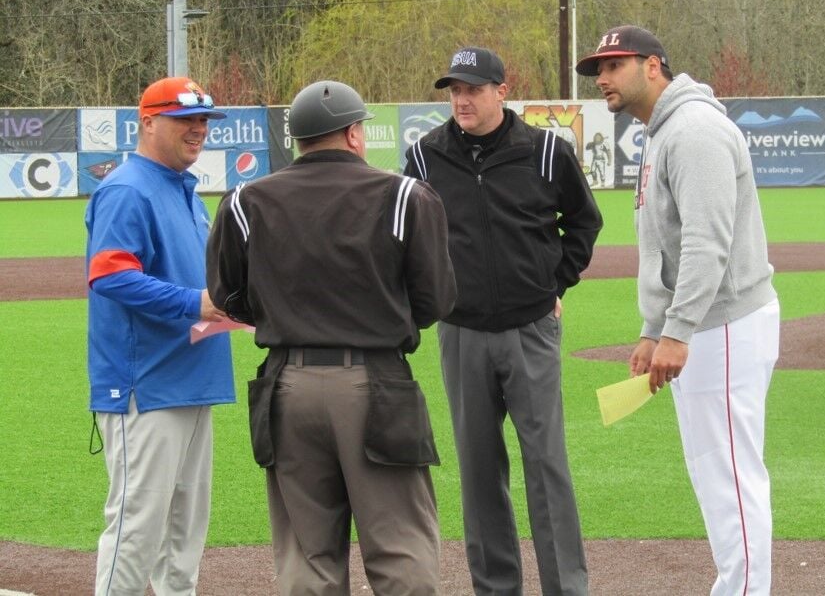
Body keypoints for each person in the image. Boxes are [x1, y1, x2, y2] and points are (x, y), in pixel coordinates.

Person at [207, 80, 456, 595]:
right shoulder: (404, 195)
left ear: (297, 139)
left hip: (287, 387)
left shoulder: (244, 201)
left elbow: (228, 296)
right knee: (400, 546)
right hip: (376, 383)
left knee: (306, 556)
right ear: (353, 134)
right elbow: (435, 300)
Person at [576, 25, 780, 596]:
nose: (603, 79)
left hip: (725, 325)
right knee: (717, 475)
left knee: (731, 478)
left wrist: (678, 330)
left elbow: (705, 243)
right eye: (598, 70)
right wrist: (653, 328)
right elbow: (666, 245)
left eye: (615, 65)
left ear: (654, 66)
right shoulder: (662, 132)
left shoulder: (692, 131)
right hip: (708, 326)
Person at [405, 47, 603, 596]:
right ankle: (495, 589)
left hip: (530, 330)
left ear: (501, 90)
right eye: (453, 90)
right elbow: (410, 238)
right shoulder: (425, 157)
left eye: (472, 89)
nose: (461, 100)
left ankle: (566, 587)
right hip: (461, 332)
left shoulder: (544, 152)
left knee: (547, 466)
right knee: (477, 467)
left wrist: (553, 283)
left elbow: (584, 222)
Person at [86, 76, 236, 595]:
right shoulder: (128, 188)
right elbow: (109, 275)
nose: (198, 129)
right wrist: (197, 302)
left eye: (203, 120)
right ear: (147, 122)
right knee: (136, 534)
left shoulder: (183, 190)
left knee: (183, 543)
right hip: (145, 387)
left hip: (194, 377)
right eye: (184, 119)